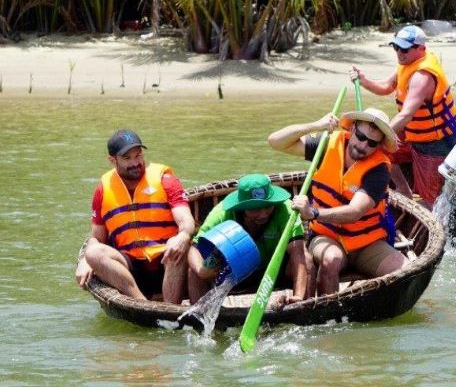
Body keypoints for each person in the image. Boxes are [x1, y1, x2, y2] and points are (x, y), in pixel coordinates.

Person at [267, 107, 409, 296]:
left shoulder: (380, 169)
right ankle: (328, 313)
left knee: (406, 270)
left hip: (366, 243)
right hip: (326, 235)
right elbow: (275, 141)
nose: (363, 146)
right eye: (360, 136)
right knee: (331, 259)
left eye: (372, 143)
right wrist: (315, 125)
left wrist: (314, 214)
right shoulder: (327, 145)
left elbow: (355, 211)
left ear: (379, 145)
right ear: (352, 129)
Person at [75, 129, 195, 304]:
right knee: (94, 253)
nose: (135, 163)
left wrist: (183, 235)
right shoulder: (102, 190)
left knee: (179, 245)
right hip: (130, 268)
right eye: (127, 158)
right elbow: (97, 238)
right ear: (112, 160)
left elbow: (186, 220)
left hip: (167, 261)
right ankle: (142, 305)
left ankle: (171, 309)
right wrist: (86, 260)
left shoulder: (166, 180)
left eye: (138, 156)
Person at [350, 25, 456, 208]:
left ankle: (430, 227)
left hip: (434, 141)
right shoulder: (406, 64)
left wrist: (377, 135)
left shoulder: (422, 76)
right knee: (382, 150)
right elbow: (386, 86)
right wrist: (364, 81)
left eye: (404, 49)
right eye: (396, 47)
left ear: (421, 49)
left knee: (430, 199)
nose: (399, 53)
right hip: (411, 133)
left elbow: (406, 114)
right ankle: (403, 189)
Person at [187, 173, 309, 305]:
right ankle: (198, 318)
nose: (263, 214)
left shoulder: (287, 210)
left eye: (268, 206)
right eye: (255, 209)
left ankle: (304, 307)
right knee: (194, 272)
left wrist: (298, 296)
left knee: (307, 260)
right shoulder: (222, 213)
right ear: (242, 207)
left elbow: (298, 254)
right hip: (233, 273)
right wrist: (201, 270)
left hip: (273, 271)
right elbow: (195, 249)